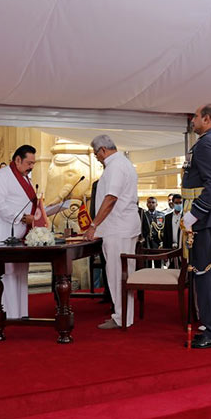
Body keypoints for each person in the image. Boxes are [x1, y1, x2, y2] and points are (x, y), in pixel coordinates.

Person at [181, 103, 211, 349]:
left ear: (207, 119)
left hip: (206, 219)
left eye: (196, 116)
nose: (193, 120)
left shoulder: (209, 143)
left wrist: (195, 214)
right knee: (207, 276)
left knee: (208, 276)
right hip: (208, 219)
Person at [83, 135, 140, 329]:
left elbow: (111, 199)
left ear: (102, 150)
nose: (97, 158)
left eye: (96, 154)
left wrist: (94, 226)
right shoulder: (123, 163)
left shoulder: (115, 166)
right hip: (122, 226)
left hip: (119, 227)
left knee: (117, 273)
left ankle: (121, 317)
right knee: (122, 273)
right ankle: (124, 315)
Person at [0, 145, 38, 319]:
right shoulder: (1, 177)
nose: (31, 167)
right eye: (28, 163)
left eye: (33, 163)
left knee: (20, 274)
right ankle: (7, 315)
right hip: (4, 234)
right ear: (17, 160)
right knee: (8, 275)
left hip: (22, 235)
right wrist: (23, 218)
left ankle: (21, 314)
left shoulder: (26, 179)